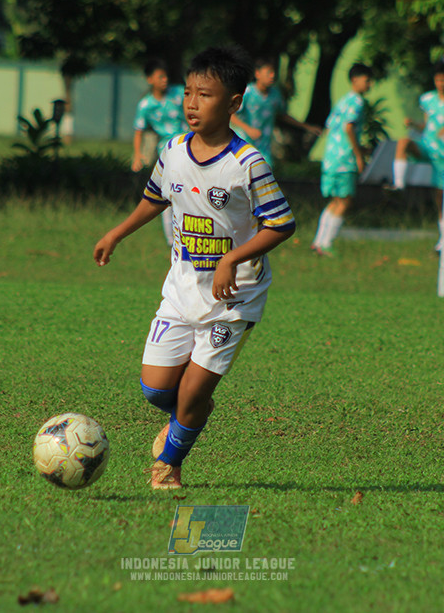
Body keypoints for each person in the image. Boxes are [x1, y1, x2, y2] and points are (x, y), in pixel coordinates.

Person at [93, 46, 296, 490]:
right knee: (156, 389)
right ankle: (188, 413)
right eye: (188, 93)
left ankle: (169, 466)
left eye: (204, 94)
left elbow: (282, 224)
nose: (191, 103)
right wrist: (117, 232)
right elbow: (154, 198)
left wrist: (232, 258)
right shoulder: (173, 150)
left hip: (233, 299)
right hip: (182, 290)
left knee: (193, 394)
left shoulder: (248, 164)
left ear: (233, 103)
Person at [392, 61, 444, 250]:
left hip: (443, 153)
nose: (441, 84)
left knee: (441, 197)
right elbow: (427, 124)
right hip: (426, 146)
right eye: (437, 80)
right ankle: (398, 184)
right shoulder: (427, 99)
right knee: (403, 142)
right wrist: (413, 124)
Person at [311, 63, 374, 257]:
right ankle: (326, 243)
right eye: (367, 80)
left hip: (331, 157)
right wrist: (358, 154)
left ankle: (318, 242)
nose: (369, 84)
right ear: (355, 80)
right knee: (345, 201)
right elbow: (349, 128)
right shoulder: (357, 102)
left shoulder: (343, 101)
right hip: (344, 159)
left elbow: (332, 127)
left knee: (336, 200)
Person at [132, 58, 186, 244]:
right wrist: (137, 155)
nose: (164, 80)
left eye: (166, 76)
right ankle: (172, 240)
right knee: (168, 194)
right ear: (150, 80)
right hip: (168, 153)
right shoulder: (146, 105)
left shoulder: (178, 94)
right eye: (160, 76)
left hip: (190, 147)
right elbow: (138, 131)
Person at [230, 57, 321, 166]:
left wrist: (306, 127)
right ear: (258, 74)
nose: (272, 75)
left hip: (264, 149)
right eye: (269, 72)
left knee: (265, 178)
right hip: (244, 147)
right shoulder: (247, 93)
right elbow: (231, 114)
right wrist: (248, 129)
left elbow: (282, 115)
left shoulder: (275, 95)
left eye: (273, 72)